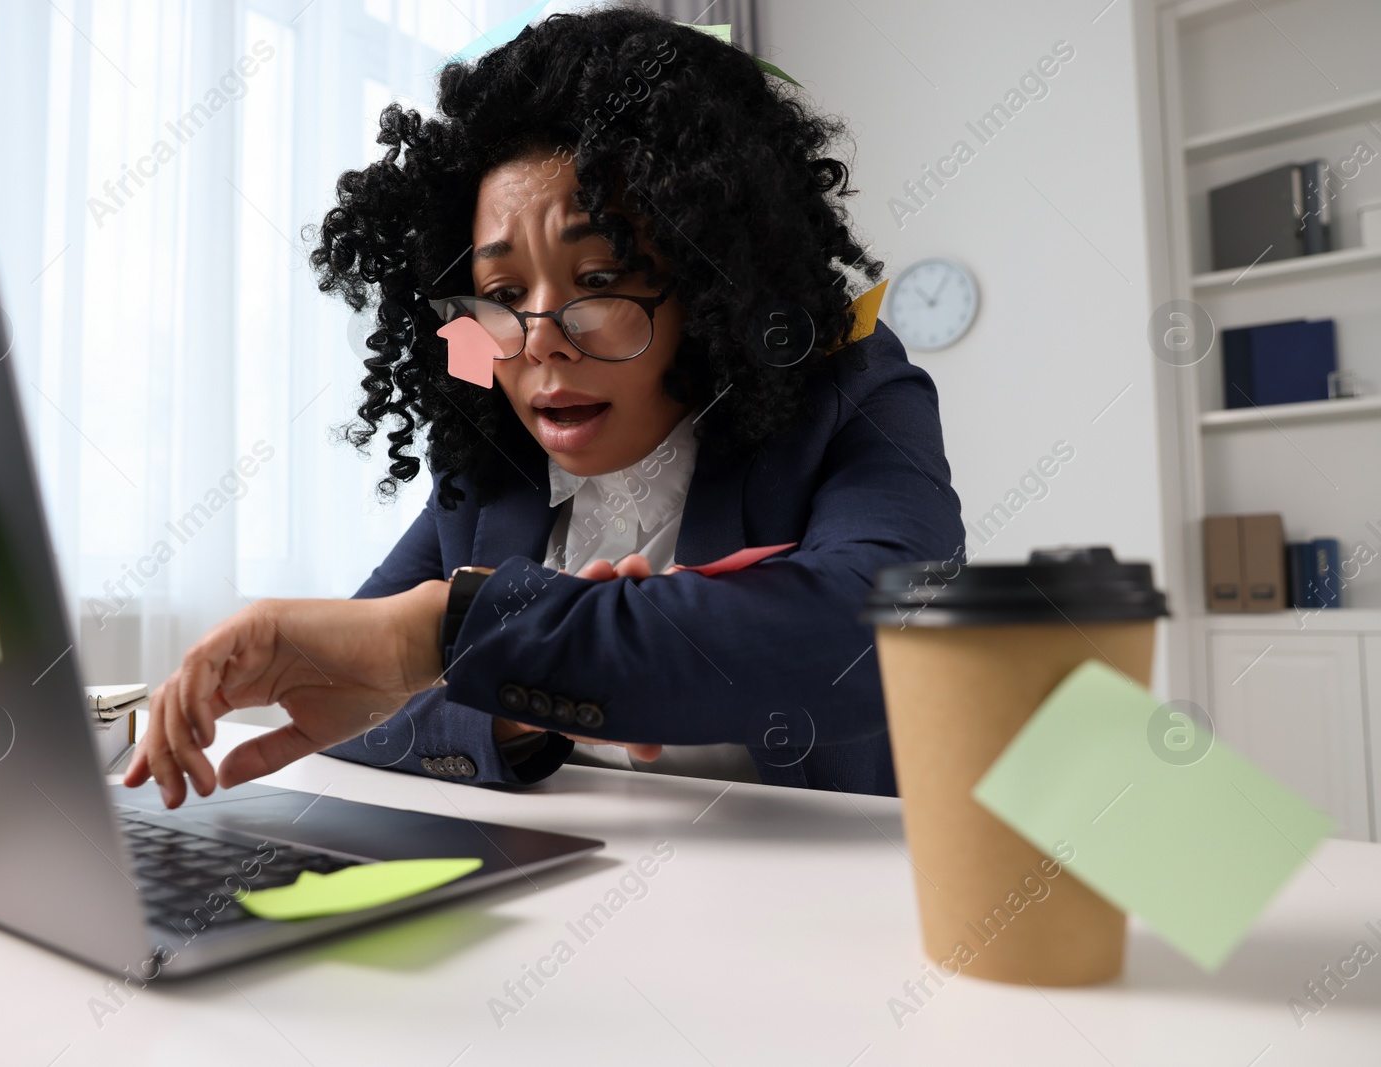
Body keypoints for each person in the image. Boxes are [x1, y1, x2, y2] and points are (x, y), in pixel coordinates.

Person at [125, 8, 964, 811]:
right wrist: (518, 709)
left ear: (715, 287)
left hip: (824, 906)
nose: (537, 343)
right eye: (499, 293)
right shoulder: (489, 458)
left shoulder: (848, 390)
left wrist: (447, 635)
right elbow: (346, 696)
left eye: (598, 281)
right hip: (558, 880)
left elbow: (875, 636)